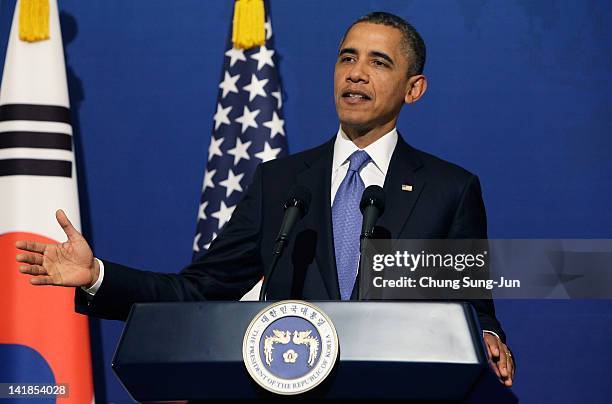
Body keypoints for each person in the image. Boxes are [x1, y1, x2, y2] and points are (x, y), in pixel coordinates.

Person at [16, 12, 514, 386]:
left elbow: (475, 306)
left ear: (414, 89)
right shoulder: (281, 182)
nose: (356, 73)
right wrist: (98, 275)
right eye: (347, 57)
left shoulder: (450, 188)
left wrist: (488, 337)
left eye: (378, 62)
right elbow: (201, 289)